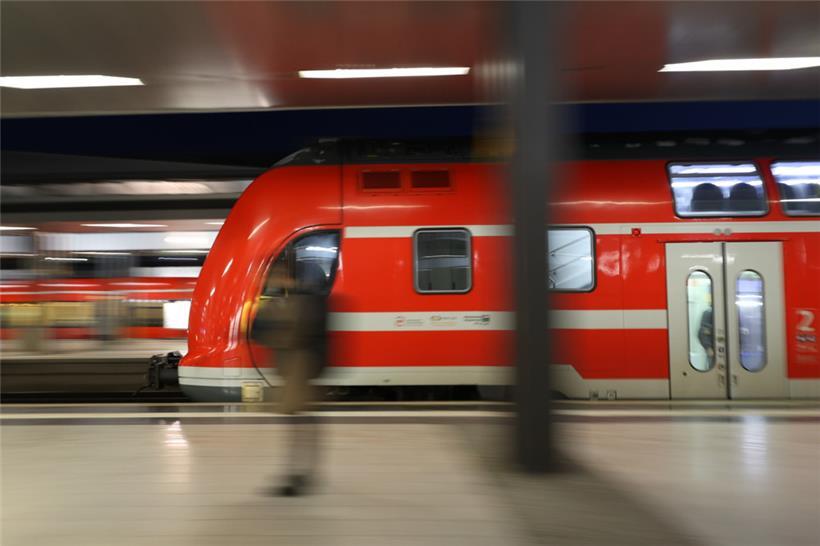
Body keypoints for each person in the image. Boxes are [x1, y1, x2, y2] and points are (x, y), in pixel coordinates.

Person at [253, 261, 328, 496]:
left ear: (287, 277)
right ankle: (300, 474)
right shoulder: (297, 301)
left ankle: (297, 477)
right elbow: (258, 330)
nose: (273, 281)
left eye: (276, 277)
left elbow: (286, 336)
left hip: (299, 371)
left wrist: (274, 328)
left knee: (298, 424)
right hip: (297, 372)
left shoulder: (300, 303)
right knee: (301, 423)